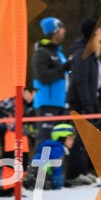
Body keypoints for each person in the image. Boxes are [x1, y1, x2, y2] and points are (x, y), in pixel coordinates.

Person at [66, 18, 101, 183]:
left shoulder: (91, 53)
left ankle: (81, 170)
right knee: (78, 138)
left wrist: (94, 102)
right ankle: (74, 174)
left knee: (85, 138)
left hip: (88, 101)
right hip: (79, 103)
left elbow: (93, 82)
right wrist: (87, 104)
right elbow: (81, 81)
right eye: (99, 32)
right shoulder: (82, 53)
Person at [32, 17, 70, 148]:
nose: (64, 31)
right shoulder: (41, 53)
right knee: (45, 143)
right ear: (54, 31)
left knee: (58, 145)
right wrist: (64, 68)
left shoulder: (59, 54)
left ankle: (53, 169)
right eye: (61, 28)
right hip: (46, 105)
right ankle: (37, 169)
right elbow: (43, 77)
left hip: (60, 105)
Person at [0, 87, 36, 197]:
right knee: (10, 157)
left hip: (22, 130)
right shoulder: (7, 89)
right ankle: (6, 187)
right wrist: (20, 96)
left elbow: (28, 112)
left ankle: (17, 185)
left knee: (23, 157)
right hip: (9, 129)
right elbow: (5, 107)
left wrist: (28, 102)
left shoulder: (22, 89)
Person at [27, 123, 76, 190]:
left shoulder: (54, 147)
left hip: (35, 174)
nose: (72, 142)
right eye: (70, 139)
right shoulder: (57, 149)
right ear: (61, 138)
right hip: (38, 175)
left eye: (73, 139)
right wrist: (58, 184)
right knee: (50, 186)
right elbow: (56, 167)